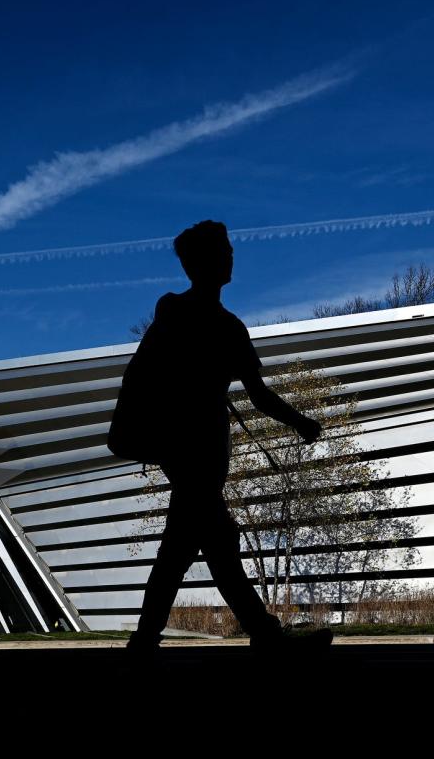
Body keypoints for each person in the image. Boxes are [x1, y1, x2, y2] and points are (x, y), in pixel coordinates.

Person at [120, 220, 332, 661]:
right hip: (190, 450)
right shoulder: (185, 314)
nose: (231, 256)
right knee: (203, 545)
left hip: (197, 452)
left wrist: (298, 421)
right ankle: (264, 637)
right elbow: (147, 375)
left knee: (196, 546)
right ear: (201, 260)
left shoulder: (222, 324)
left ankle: (146, 643)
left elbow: (256, 394)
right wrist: (301, 422)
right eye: (224, 250)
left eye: (229, 249)